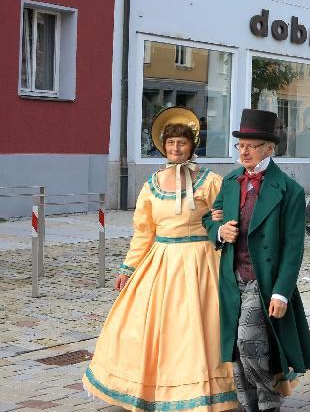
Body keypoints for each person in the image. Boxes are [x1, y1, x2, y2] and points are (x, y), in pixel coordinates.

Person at [84, 108, 238, 412]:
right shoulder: (152, 185)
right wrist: (128, 268)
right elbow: (144, 231)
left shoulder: (210, 181)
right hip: (162, 261)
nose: (176, 149)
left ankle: (216, 389)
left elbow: (229, 218)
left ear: (192, 146)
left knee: (201, 326)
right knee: (153, 328)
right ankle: (154, 388)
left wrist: (222, 222)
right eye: (170, 144)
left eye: (181, 143)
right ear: (163, 147)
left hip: (202, 261)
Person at [204, 109, 310, 411]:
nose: (244, 151)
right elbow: (209, 217)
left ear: (269, 148)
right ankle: (248, 404)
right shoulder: (230, 181)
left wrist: (281, 291)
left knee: (248, 343)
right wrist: (219, 230)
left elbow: (294, 247)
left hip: (263, 280)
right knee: (235, 349)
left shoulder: (289, 190)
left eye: (251, 145)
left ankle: (269, 402)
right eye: (240, 145)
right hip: (231, 277)